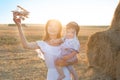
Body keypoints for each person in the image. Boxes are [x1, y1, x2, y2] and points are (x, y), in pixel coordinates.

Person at [12, 12, 78, 80]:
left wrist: (66, 63)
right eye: (50, 26)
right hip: (52, 76)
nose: (53, 28)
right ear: (46, 28)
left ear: (59, 29)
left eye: (56, 26)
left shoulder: (65, 42)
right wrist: (19, 26)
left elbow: (75, 59)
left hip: (66, 75)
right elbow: (26, 45)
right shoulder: (42, 44)